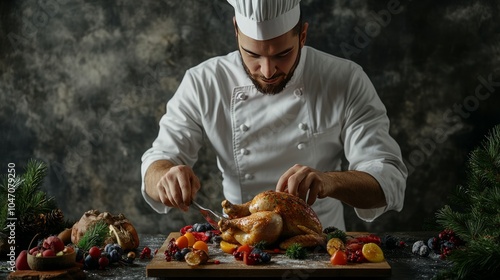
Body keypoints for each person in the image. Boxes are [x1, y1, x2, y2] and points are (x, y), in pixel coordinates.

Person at [141, 0, 407, 231]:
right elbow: (157, 162)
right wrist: (166, 176)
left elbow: (388, 177)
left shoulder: (345, 79)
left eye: (283, 54)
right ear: (236, 31)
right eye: (253, 54)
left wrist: (330, 181)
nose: (267, 71)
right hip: (240, 245)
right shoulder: (203, 82)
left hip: (321, 247)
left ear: (302, 35)